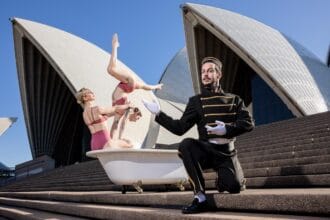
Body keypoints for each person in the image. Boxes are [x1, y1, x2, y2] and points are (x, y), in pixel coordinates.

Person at [142, 57, 254, 214]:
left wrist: (227, 129)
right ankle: (200, 197)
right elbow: (180, 128)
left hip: (226, 153)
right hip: (206, 151)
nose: (205, 74)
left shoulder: (234, 99)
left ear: (219, 74)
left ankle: (226, 179)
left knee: (234, 187)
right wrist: (159, 114)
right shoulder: (196, 101)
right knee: (186, 144)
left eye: (210, 70)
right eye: (203, 72)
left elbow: (248, 123)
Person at [107, 33, 162, 146]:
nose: (136, 120)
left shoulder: (126, 110)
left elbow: (120, 125)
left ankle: (115, 46)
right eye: (137, 119)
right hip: (128, 85)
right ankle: (115, 46)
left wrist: (118, 141)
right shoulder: (128, 107)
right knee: (111, 70)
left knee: (111, 70)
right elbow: (121, 124)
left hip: (126, 89)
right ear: (136, 113)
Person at [76, 87, 140, 150]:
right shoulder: (97, 108)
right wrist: (128, 105)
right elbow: (115, 108)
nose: (93, 93)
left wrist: (124, 110)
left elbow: (108, 114)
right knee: (130, 144)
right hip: (105, 141)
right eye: (90, 92)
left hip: (94, 144)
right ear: (85, 97)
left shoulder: (84, 114)